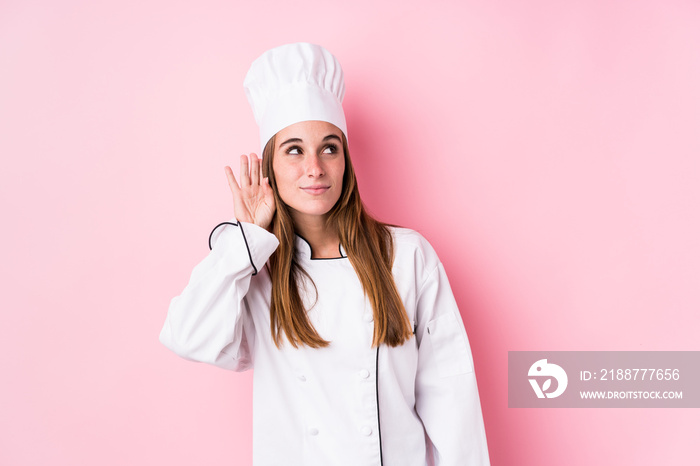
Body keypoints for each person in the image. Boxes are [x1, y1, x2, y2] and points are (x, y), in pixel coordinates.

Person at [160, 42, 490, 466]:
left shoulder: (407, 257)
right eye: (294, 150)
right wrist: (244, 239)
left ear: (345, 162)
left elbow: (452, 397)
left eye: (329, 148)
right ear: (269, 168)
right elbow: (186, 336)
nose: (314, 167)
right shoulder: (257, 271)